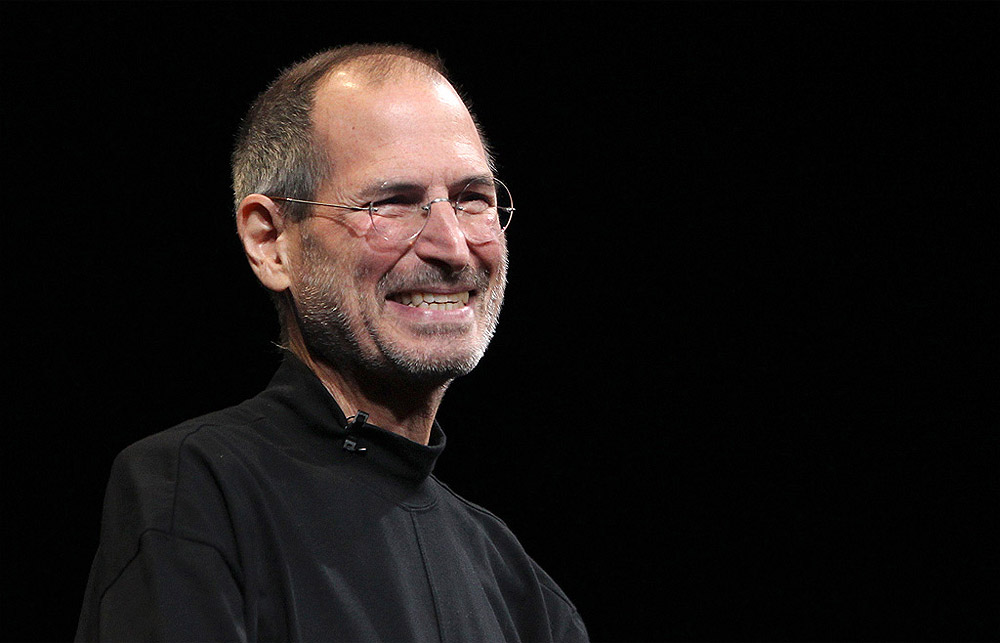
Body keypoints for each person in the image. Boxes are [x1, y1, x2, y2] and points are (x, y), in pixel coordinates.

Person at [75, 43, 588, 642]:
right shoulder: (195, 492)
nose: (452, 246)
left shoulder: (520, 593)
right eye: (391, 204)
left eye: (472, 199)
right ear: (271, 242)